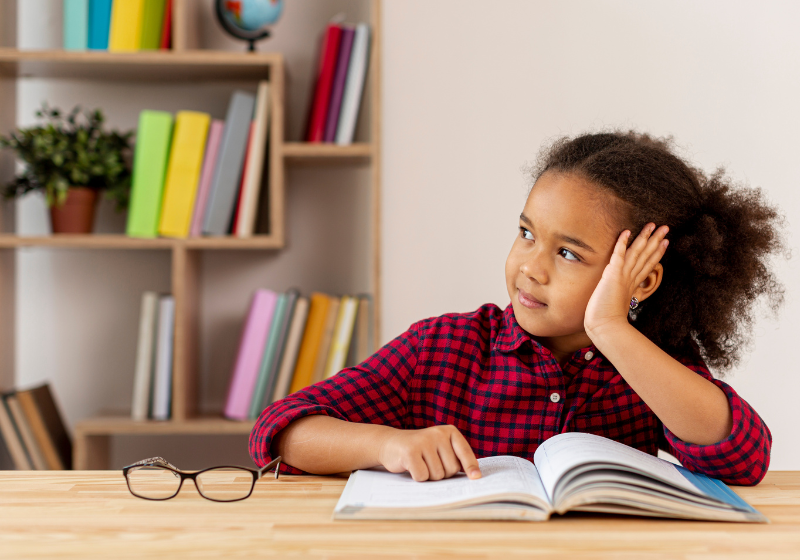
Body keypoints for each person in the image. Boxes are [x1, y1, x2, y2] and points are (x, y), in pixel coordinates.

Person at [249, 131, 783, 486]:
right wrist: (387, 445)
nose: (531, 266)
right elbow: (278, 432)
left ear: (640, 277)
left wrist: (610, 327)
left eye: (568, 253)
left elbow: (744, 458)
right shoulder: (443, 347)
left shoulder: (652, 366)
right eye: (526, 233)